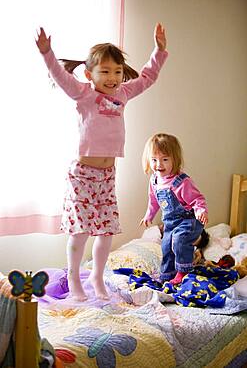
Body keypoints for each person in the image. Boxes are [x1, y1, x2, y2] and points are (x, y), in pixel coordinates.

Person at [35, 24, 168, 301]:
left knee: (106, 230)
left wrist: (158, 50)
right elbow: (59, 75)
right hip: (82, 174)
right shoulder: (83, 94)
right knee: (81, 230)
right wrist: (48, 53)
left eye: (117, 71)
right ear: (89, 74)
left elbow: (147, 77)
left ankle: (97, 275)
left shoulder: (123, 94)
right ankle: (74, 276)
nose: (112, 77)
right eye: (105, 71)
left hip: (107, 174)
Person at [140, 133, 208, 285]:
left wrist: (201, 211)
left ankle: (183, 271)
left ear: (174, 159)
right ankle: (168, 275)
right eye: (154, 160)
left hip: (189, 220)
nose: (159, 165)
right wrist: (148, 215)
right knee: (166, 246)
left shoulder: (181, 182)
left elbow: (198, 199)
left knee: (179, 239)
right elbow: (153, 201)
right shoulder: (154, 180)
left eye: (165, 159)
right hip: (170, 222)